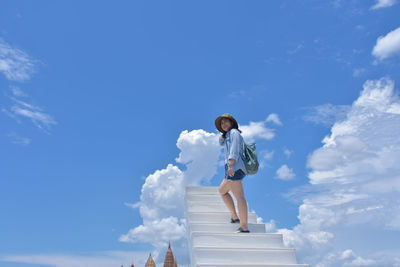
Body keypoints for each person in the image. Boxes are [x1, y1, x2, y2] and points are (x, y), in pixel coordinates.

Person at [215, 113, 249, 233]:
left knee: (239, 197)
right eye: (222, 123)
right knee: (222, 191)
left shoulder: (234, 133)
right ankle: (235, 217)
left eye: (226, 122)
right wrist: (222, 133)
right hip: (231, 168)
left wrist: (231, 165)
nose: (223, 124)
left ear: (232, 123)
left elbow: (234, 149)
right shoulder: (228, 135)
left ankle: (244, 226)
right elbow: (221, 142)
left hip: (234, 167)